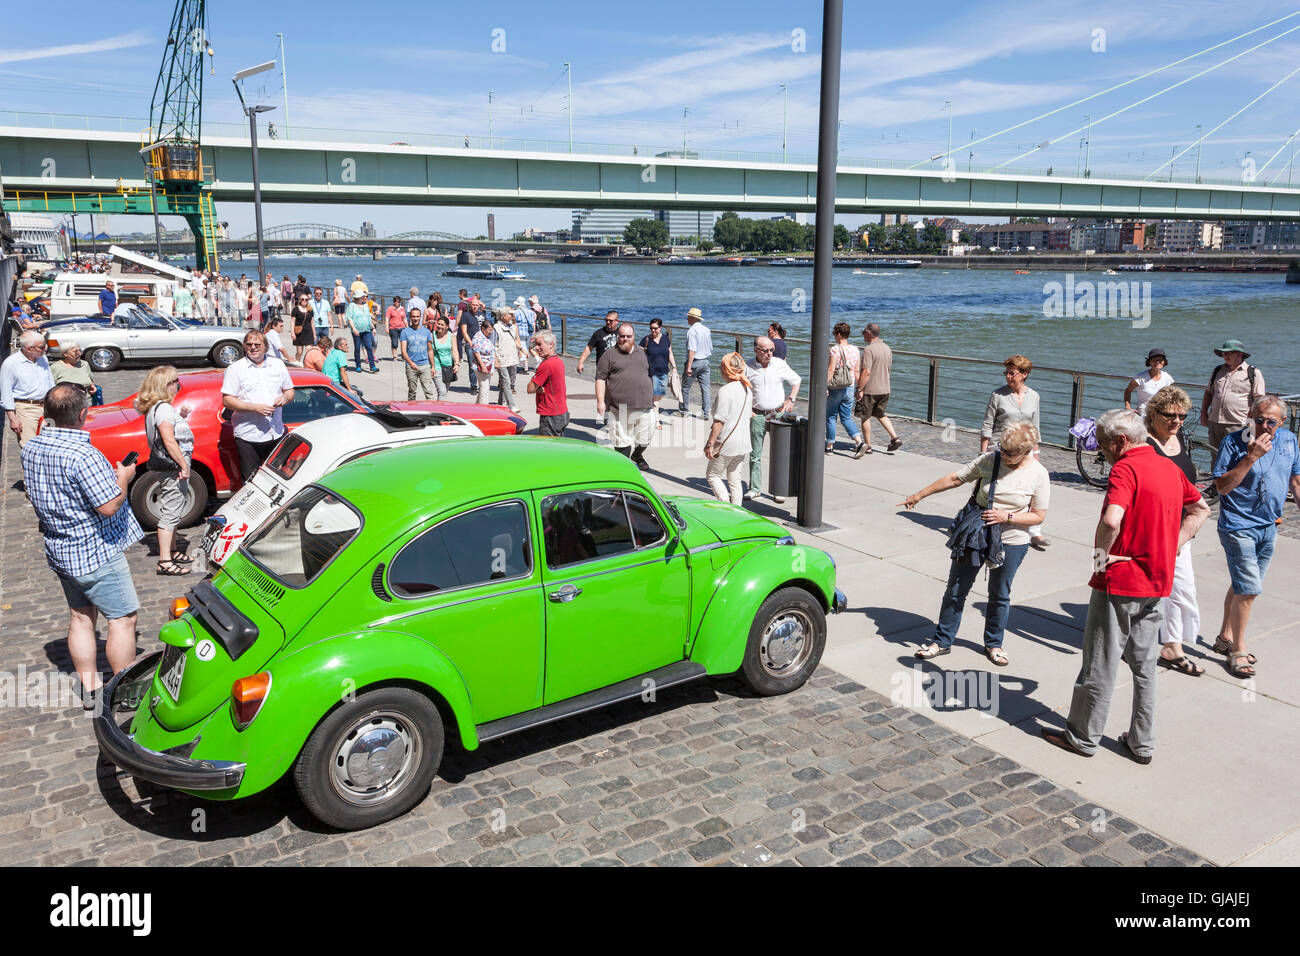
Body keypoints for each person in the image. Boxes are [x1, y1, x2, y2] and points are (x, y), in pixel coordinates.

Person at [1043, 409, 1210, 764]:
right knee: (1145, 665)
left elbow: (1111, 518)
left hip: (1121, 580)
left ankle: (1082, 737)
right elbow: (1201, 510)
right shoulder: (1169, 467)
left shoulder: (1125, 468)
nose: (1100, 452)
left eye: (1102, 445)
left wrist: (1101, 557)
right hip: (1157, 580)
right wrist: (1173, 545)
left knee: (1099, 663)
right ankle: (1142, 742)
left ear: (1120, 441)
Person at [21, 383, 143, 705]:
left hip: (60, 548)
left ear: (48, 413)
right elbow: (108, 505)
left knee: (80, 617)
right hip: (94, 552)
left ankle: (91, 691)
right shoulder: (84, 455)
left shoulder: (31, 448)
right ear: (83, 414)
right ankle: (125, 690)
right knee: (122, 619)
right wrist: (124, 477)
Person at [900, 422, 1050, 666]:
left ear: (1028, 450)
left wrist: (1007, 516)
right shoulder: (991, 459)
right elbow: (955, 478)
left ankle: (994, 644)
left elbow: (1039, 515)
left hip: (1012, 538)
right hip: (976, 535)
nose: (1007, 456)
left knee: (999, 593)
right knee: (956, 589)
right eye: (1004, 450)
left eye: (1012, 453)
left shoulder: (1038, 473)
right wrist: (919, 495)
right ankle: (942, 641)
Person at [1210, 395, 1300, 679]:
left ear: (1282, 422)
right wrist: (1251, 457)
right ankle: (1237, 650)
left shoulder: (1288, 441)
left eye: (1270, 422)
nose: (1262, 426)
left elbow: (1295, 480)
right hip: (1238, 525)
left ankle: (1224, 637)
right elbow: (1222, 487)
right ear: (1249, 417)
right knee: (1249, 589)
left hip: (1269, 525)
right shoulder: (1233, 443)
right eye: (1257, 419)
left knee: (1243, 585)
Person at [1141, 386, 1205, 675]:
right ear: (1153, 414)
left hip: (1181, 530)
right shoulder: (1144, 444)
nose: (1177, 421)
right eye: (1170, 415)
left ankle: (1172, 645)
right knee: (1154, 592)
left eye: (1181, 416)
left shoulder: (1179, 439)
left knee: (1183, 590)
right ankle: (1165, 645)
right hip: (1153, 531)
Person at [980, 354, 1047, 550]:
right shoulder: (998, 395)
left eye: (1012, 373)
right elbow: (987, 425)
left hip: (1025, 449)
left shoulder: (1034, 396)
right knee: (999, 489)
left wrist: (1036, 453)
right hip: (1000, 448)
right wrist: (983, 453)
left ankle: (1034, 531)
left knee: (1030, 490)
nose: (1008, 376)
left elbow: (1035, 426)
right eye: (1006, 373)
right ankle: (991, 521)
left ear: (1024, 374)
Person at [135, 366, 194, 576]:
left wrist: (182, 416)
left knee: (175, 506)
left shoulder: (158, 408)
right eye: (176, 380)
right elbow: (169, 441)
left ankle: (174, 551)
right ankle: (165, 561)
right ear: (166, 385)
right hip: (173, 467)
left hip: (169, 466)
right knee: (171, 510)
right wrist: (184, 465)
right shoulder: (164, 409)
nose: (178, 384)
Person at [221, 330, 294, 480]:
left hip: (276, 432)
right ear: (244, 347)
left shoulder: (278, 365)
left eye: (257, 344)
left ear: (266, 347)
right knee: (251, 481)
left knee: (277, 479)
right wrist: (254, 408)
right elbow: (227, 400)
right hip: (248, 436)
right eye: (249, 344)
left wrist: (285, 398)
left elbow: (290, 391)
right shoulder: (235, 369)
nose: (253, 347)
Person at [744, 336, 800, 503]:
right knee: (755, 454)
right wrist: (749, 410)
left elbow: (796, 380)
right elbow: (742, 388)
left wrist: (791, 399)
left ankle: (779, 489)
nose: (769, 354)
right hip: (757, 414)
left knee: (780, 454)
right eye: (765, 350)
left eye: (771, 350)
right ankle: (754, 488)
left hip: (778, 414)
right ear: (756, 350)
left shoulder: (779, 364)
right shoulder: (748, 366)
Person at [596, 323, 654, 469]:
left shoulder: (642, 353)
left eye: (629, 336)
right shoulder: (609, 355)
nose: (625, 339)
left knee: (645, 438)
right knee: (622, 442)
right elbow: (600, 378)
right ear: (618, 337)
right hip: (619, 407)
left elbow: (649, 374)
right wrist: (600, 401)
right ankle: (625, 469)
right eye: (622, 336)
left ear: (634, 337)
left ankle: (637, 455)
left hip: (644, 405)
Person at [1200, 339, 1266, 452]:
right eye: (1223, 353)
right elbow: (1208, 393)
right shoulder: (1217, 370)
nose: (1224, 356)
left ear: (1240, 354)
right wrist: (1204, 414)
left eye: (1228, 353)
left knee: (1239, 456)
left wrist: (1250, 421)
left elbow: (1259, 400)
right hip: (1215, 423)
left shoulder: (1253, 373)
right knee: (1215, 456)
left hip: (1240, 424)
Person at [705, 352, 753, 504]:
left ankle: (725, 507)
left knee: (713, 476)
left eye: (721, 366)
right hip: (743, 441)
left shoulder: (725, 391)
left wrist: (710, 444)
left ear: (727, 369)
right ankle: (737, 513)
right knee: (734, 479)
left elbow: (719, 421)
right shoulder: (747, 389)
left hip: (726, 443)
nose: (720, 369)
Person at [2, 331, 56, 452]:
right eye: (41, 347)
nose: (45, 348)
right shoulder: (11, 364)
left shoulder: (43, 359)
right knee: (30, 448)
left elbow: (50, 383)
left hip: (47, 407)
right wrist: (12, 418)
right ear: (29, 348)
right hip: (26, 409)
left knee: (50, 446)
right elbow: (6, 393)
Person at [855, 322, 902, 455]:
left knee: (865, 417)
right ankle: (895, 437)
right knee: (880, 414)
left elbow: (866, 372)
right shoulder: (887, 348)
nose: (863, 335)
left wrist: (859, 389)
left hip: (871, 390)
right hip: (885, 388)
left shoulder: (868, 350)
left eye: (863, 332)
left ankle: (868, 446)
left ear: (869, 333)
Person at [827, 322, 865, 455]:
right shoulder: (855, 349)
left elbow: (831, 369)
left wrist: (825, 386)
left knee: (831, 417)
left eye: (834, 333)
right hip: (850, 386)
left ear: (838, 334)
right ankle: (859, 442)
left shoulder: (834, 349)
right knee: (846, 417)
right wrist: (859, 390)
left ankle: (830, 446)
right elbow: (857, 372)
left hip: (836, 387)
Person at [528, 330, 569, 437]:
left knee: (549, 448)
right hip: (561, 411)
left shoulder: (546, 364)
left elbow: (530, 389)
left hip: (551, 414)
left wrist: (537, 388)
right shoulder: (558, 361)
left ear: (551, 345)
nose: (536, 348)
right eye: (535, 344)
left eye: (539, 344)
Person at [639, 318, 675, 419]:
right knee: (656, 397)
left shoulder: (665, 339)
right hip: (651, 372)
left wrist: (674, 367)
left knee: (660, 395)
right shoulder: (646, 340)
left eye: (655, 328)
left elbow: (670, 353)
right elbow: (638, 354)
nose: (653, 330)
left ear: (661, 327)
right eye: (651, 328)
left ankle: (647, 409)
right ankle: (656, 419)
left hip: (664, 371)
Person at [1123, 347, 1174, 416]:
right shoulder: (1140, 377)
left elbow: (1170, 396)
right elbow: (1128, 391)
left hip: (1161, 414)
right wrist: (1127, 407)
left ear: (1164, 362)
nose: (1158, 362)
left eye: (1160, 360)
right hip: (1144, 414)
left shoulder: (1167, 378)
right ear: (1149, 362)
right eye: (1155, 360)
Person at [682, 307, 713, 417]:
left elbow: (692, 350)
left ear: (692, 318)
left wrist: (689, 367)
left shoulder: (692, 331)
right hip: (705, 361)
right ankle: (706, 413)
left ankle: (684, 411)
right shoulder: (706, 330)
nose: (687, 319)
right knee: (705, 389)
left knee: (685, 387)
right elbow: (710, 347)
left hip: (695, 361)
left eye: (688, 317)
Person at [399, 305, 435, 400]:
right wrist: (411, 363)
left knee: (429, 392)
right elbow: (403, 350)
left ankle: (431, 410)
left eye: (417, 316)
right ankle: (411, 409)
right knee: (412, 392)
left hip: (425, 365)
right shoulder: (405, 332)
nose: (415, 318)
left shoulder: (426, 332)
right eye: (413, 316)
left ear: (420, 317)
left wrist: (433, 366)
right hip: (411, 366)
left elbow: (430, 349)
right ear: (410, 317)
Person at [493, 309, 523, 412]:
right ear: (504, 316)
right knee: (506, 381)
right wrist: (495, 359)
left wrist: (521, 349)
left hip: (511, 357)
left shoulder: (512, 327)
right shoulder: (496, 328)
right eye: (510, 314)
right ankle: (512, 405)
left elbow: (514, 340)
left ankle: (501, 403)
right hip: (501, 358)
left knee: (504, 381)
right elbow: (492, 344)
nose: (512, 316)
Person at [577, 310, 620, 375]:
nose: (608, 322)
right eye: (606, 320)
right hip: (602, 369)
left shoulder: (622, 333)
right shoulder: (598, 333)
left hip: (618, 369)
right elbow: (588, 348)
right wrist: (581, 362)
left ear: (616, 321)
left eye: (610, 321)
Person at [346, 290, 378, 373]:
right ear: (359, 297)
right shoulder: (352, 306)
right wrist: (354, 329)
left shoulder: (365, 305)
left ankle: (372, 366)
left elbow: (368, 318)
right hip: (357, 331)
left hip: (366, 330)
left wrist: (373, 327)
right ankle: (358, 366)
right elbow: (349, 318)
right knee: (357, 348)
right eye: (363, 296)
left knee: (369, 347)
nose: (365, 297)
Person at [430, 313, 460, 399]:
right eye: (438, 324)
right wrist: (432, 366)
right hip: (437, 366)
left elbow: (455, 350)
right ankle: (440, 410)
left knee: (444, 391)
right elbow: (430, 351)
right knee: (442, 391)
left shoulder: (451, 336)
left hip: (449, 367)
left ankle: (439, 407)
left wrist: (457, 364)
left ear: (447, 326)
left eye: (442, 324)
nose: (439, 326)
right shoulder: (432, 335)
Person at [471, 316, 498, 404]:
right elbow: (476, 352)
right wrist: (482, 366)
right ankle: (484, 408)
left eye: (492, 330)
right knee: (484, 389)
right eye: (489, 330)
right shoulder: (478, 337)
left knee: (484, 388)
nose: (491, 332)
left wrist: (493, 366)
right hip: (481, 365)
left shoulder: (488, 337)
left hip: (489, 365)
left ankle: (477, 407)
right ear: (483, 329)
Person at [513, 296, 536, 371]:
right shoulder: (530, 312)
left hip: (520, 333)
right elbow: (533, 322)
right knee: (525, 348)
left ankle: (523, 366)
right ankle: (525, 366)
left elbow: (513, 322)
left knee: (522, 348)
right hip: (529, 332)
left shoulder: (516, 312)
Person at [291, 292, 315, 363]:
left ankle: (307, 364)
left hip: (308, 332)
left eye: (306, 299)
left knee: (308, 350)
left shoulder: (310, 310)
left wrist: (314, 334)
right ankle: (297, 362)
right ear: (300, 300)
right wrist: (292, 332)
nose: (304, 300)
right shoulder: (296, 309)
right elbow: (292, 321)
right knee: (299, 352)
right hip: (299, 332)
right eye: (303, 299)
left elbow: (312, 323)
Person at [385, 293, 407, 360]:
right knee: (394, 343)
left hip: (402, 328)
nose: (396, 303)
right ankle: (395, 356)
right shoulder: (390, 308)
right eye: (395, 301)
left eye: (398, 301)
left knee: (403, 342)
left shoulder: (402, 308)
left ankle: (404, 355)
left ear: (400, 302)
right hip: (393, 328)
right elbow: (387, 319)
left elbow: (404, 318)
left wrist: (407, 327)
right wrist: (386, 328)